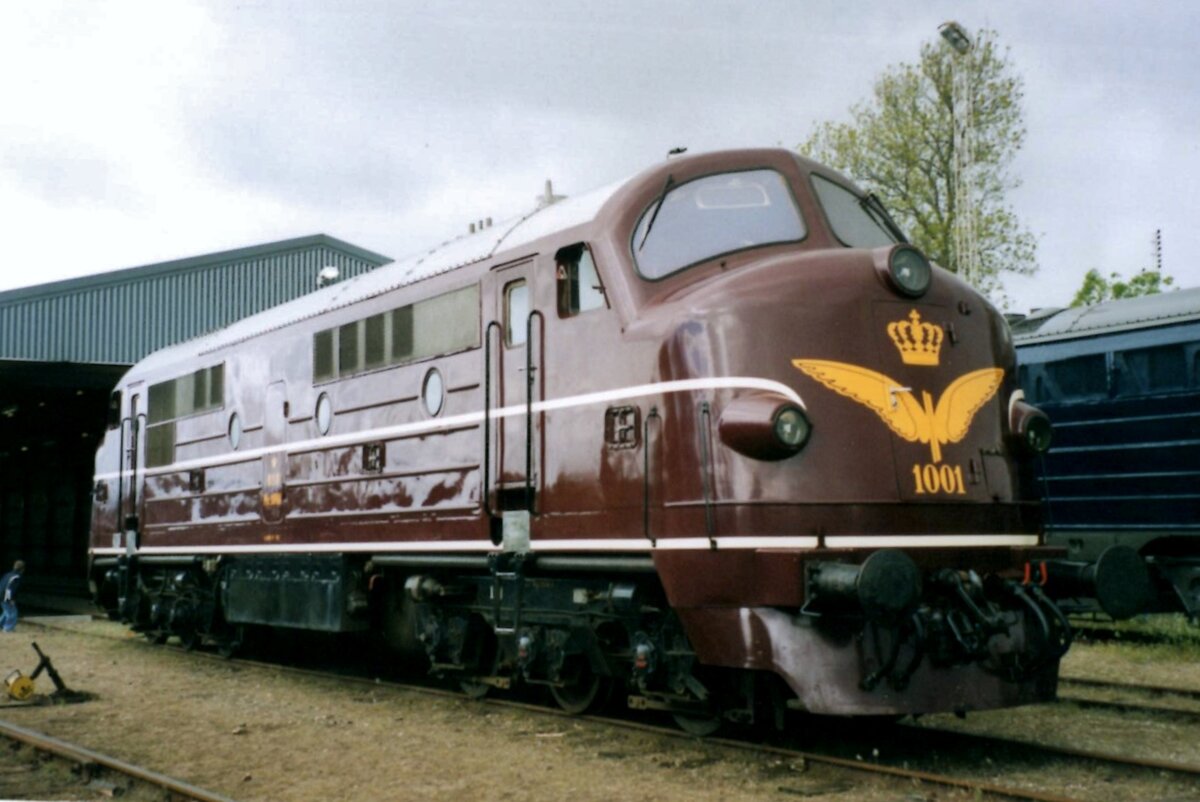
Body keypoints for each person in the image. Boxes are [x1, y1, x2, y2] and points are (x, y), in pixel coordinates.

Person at [1, 560, 25, 632]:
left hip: (1, 595)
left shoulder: (8, 574)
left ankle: (1, 625)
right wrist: (10, 599)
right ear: (22, 569)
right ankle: (8, 628)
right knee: (12, 613)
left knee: (7, 612)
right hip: (6, 597)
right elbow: (10, 588)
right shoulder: (16, 577)